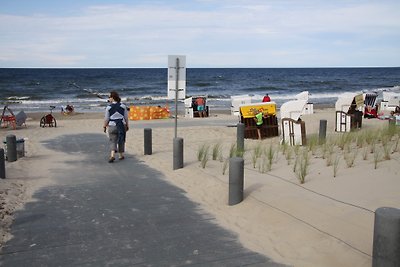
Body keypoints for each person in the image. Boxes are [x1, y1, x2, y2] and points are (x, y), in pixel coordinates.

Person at [103, 91, 129, 163]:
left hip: (112, 125)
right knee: (121, 139)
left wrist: (104, 126)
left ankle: (112, 155)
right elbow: (126, 117)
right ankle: (120, 155)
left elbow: (106, 119)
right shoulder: (123, 106)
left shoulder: (108, 107)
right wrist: (127, 125)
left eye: (109, 97)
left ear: (112, 98)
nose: (109, 99)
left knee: (112, 140)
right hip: (121, 124)